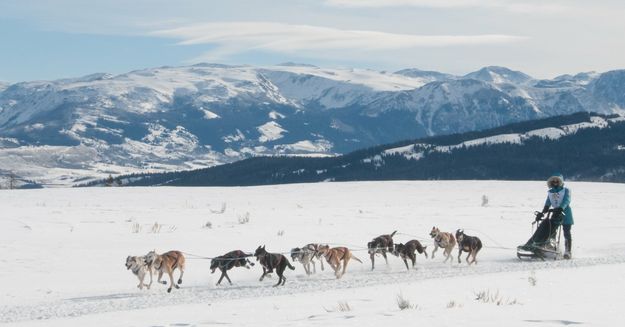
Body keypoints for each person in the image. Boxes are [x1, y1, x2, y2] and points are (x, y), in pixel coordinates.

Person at [536, 173, 574, 259]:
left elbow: (566, 200)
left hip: (566, 213)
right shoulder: (551, 192)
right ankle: (552, 247)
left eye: (557, 181)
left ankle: (568, 251)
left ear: (560, 181)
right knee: (551, 231)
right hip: (555, 213)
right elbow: (548, 203)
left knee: (566, 232)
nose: (555, 182)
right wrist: (543, 212)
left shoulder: (566, 190)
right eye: (554, 181)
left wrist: (561, 208)